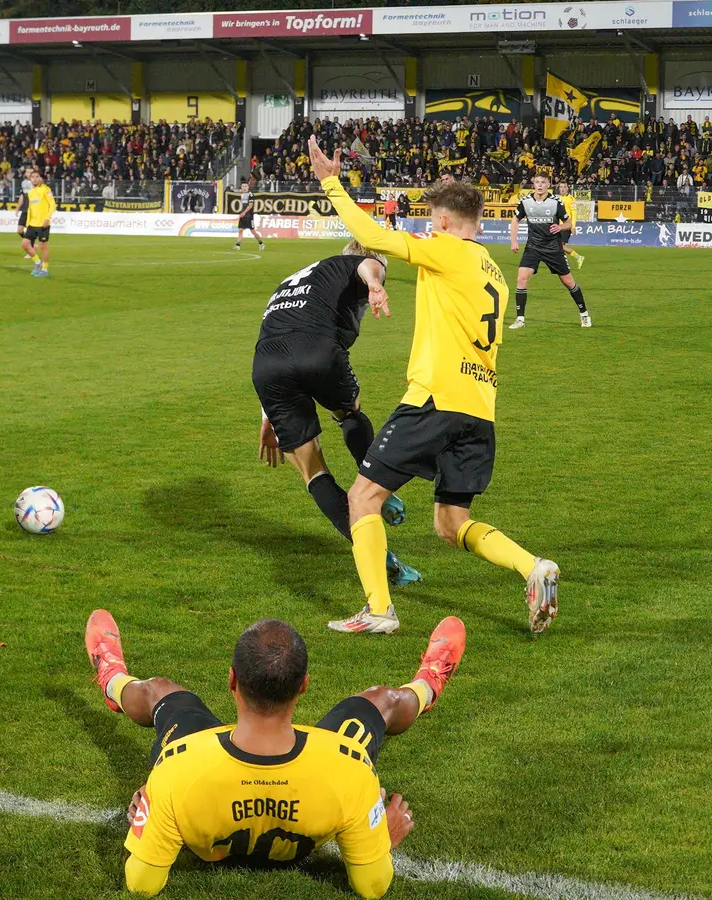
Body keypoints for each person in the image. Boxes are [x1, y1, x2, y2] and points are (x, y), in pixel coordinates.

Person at [304, 136, 560, 636]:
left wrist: (331, 183)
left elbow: (369, 235)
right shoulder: (495, 274)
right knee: (450, 523)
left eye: (430, 220)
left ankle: (379, 609)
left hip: (436, 398)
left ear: (443, 222)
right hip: (479, 408)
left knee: (362, 498)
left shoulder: (447, 251)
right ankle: (533, 567)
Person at [86, 609, 467, 898]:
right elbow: (372, 885)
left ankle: (112, 676)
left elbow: (141, 884)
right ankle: (428, 682)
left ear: (232, 679)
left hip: (195, 772)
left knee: (159, 692)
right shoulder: (351, 768)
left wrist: (159, 818)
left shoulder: (174, 768)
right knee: (382, 700)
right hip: (325, 772)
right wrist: (381, 838)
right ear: (303, 686)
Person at [254, 244, 420, 587]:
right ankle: (381, 490)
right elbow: (368, 266)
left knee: (313, 473)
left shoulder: (289, 283)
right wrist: (375, 284)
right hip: (316, 351)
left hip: (266, 368)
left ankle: (385, 561)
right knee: (349, 411)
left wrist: (266, 416)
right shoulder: (359, 263)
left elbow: (270, 337)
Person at [508, 173, 590, 330]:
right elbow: (515, 219)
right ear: (533, 184)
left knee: (568, 282)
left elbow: (568, 223)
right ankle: (520, 319)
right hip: (533, 247)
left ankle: (584, 314)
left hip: (553, 248)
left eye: (543, 182)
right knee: (521, 279)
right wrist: (513, 240)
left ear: (548, 185)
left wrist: (560, 227)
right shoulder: (525, 202)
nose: (539, 185)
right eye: (537, 182)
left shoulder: (555, 202)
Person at [22, 169, 54, 277]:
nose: (34, 179)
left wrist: (47, 218)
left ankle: (44, 270)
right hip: (32, 224)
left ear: (41, 178)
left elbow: (53, 205)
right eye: (32, 177)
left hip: (43, 223)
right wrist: (27, 223)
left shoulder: (46, 189)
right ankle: (37, 262)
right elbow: (30, 208)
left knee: (43, 246)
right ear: (30, 180)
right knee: (25, 244)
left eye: (37, 176)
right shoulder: (31, 193)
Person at [232, 175, 266, 251]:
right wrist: (242, 213)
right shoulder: (242, 194)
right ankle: (238, 245)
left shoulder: (250, 195)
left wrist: (244, 212)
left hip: (249, 216)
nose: (244, 187)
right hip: (243, 215)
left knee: (253, 231)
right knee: (240, 230)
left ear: (248, 187)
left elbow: (250, 205)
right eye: (243, 186)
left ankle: (261, 243)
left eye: (245, 186)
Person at [557, 180, 585, 269]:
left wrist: (573, 226)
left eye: (564, 187)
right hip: (558, 226)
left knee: (560, 246)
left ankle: (578, 257)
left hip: (566, 226)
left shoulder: (571, 199)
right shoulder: (557, 198)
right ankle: (564, 263)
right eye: (561, 187)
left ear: (567, 188)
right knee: (559, 247)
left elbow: (574, 213)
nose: (562, 189)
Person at [16, 167, 34, 259]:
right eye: (28, 172)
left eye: (31, 172)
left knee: (30, 231)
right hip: (25, 209)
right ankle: (31, 245)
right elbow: (22, 196)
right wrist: (17, 208)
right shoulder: (23, 183)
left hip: (33, 210)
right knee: (19, 230)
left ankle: (30, 251)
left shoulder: (35, 183)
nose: (29, 174)